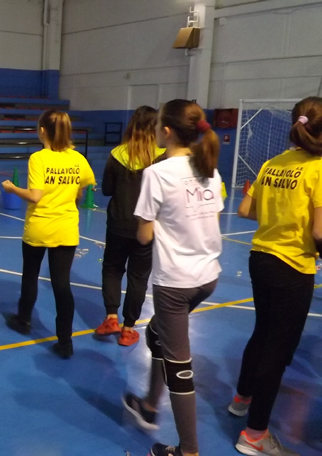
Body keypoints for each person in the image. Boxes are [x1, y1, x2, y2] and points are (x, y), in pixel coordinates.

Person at [122, 99, 223, 456]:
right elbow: (212, 218)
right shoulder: (209, 169)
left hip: (175, 284)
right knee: (156, 334)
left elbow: (144, 236)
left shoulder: (158, 173)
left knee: (179, 367)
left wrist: (147, 221)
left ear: (165, 131)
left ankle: (188, 451)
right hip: (207, 277)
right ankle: (150, 405)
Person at [229, 97, 322, 456]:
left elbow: (246, 209)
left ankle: (241, 399)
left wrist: (280, 216)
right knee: (278, 349)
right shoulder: (317, 169)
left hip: (261, 259)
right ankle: (254, 435)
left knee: (262, 332)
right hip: (292, 266)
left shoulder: (272, 164)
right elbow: (319, 232)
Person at [1, 110, 95, 359]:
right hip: (66, 228)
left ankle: (23, 320)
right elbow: (83, 187)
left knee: (30, 275)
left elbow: (35, 195)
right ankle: (65, 342)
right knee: (62, 285)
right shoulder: (78, 158)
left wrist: (12, 188)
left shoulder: (38, 158)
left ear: (42, 131)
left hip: (40, 226)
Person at [95, 106, 165, 346]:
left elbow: (107, 189)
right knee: (139, 277)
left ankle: (111, 318)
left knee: (112, 269)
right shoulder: (162, 157)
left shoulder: (117, 154)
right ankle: (128, 328)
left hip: (118, 223)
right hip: (147, 227)